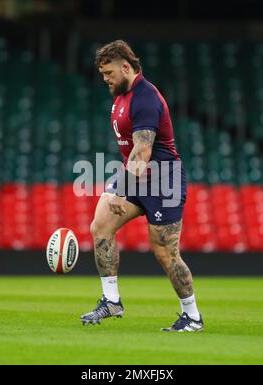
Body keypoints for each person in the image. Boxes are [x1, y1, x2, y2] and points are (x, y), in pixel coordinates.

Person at [80, 40, 203, 332]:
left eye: (109, 72)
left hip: (164, 179)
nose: (105, 79)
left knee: (164, 251)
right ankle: (111, 301)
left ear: (126, 66)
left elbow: (143, 150)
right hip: (137, 176)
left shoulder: (145, 97)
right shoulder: (121, 95)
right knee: (100, 227)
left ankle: (192, 316)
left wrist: (121, 192)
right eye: (102, 74)